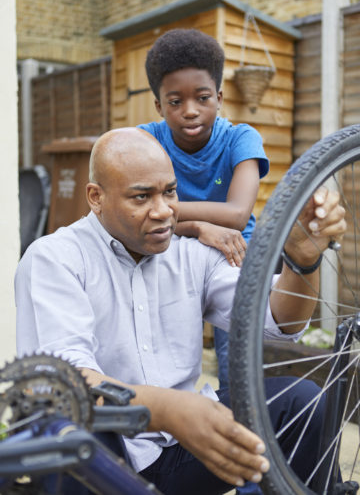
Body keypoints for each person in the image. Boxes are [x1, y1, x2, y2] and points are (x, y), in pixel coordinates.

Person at [16, 128, 346, 495]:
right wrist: (170, 410)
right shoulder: (55, 259)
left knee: (304, 404)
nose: (163, 211)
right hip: (109, 459)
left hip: (184, 444)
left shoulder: (190, 255)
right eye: (141, 197)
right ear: (96, 197)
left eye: (169, 192)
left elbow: (278, 323)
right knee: (76, 434)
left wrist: (302, 262)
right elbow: (69, 386)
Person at [138, 28, 269, 393]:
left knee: (236, 365)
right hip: (170, 254)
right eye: (175, 101)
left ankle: (238, 434)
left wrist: (170, 211)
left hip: (234, 254)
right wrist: (196, 228)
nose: (190, 111)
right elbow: (135, 213)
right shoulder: (145, 141)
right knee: (166, 358)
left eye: (202, 98)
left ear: (220, 97)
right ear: (159, 105)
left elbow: (238, 214)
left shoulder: (241, 139)